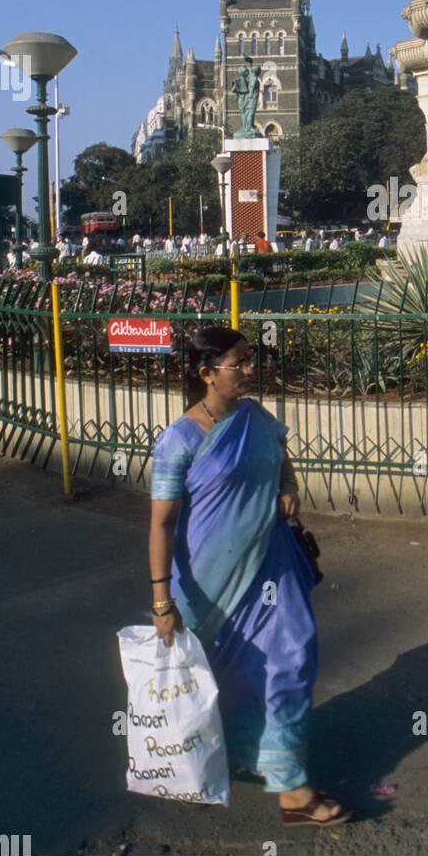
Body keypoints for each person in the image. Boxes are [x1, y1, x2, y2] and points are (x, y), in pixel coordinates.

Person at [149, 327, 350, 825]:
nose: (250, 370)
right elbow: (162, 523)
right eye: (238, 364)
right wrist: (161, 600)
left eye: (250, 360)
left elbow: (283, 462)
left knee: (292, 655)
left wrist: (287, 487)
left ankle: (291, 785)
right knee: (227, 679)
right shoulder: (178, 441)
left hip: (272, 567)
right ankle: (226, 760)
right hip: (208, 586)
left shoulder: (255, 418)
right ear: (206, 374)